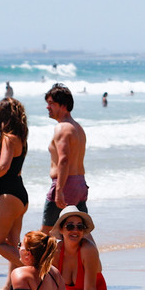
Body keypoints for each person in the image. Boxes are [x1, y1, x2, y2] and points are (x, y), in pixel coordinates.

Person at [0, 98, 29, 290]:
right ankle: (8, 287)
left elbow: (3, 167)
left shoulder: (8, 137)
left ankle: (39, 270)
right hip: (19, 195)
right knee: (12, 244)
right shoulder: (20, 137)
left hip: (9, 196)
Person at [43, 207, 111, 290]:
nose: (75, 230)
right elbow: (52, 288)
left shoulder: (88, 250)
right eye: (70, 226)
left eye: (80, 227)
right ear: (62, 229)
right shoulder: (56, 252)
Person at [41, 84, 89, 231]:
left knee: (46, 234)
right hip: (80, 184)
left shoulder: (62, 128)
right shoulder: (78, 128)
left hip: (65, 185)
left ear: (63, 106)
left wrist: (59, 190)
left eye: (51, 104)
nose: (48, 107)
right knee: (79, 233)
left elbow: (64, 160)